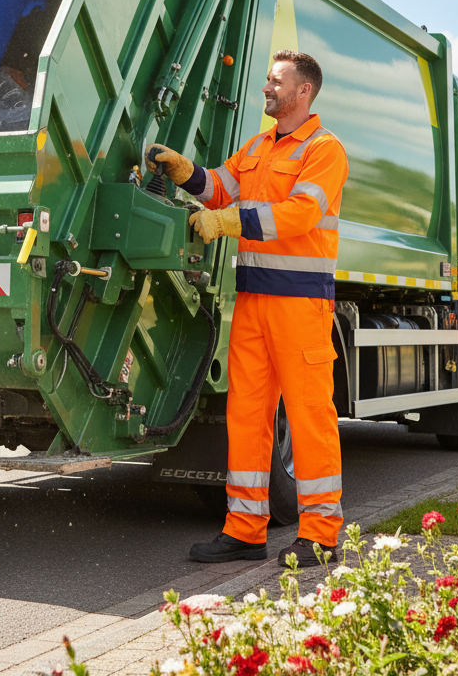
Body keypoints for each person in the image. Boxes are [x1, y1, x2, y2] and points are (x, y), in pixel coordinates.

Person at [146, 49, 348, 568]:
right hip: (255, 303)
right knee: (247, 416)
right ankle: (245, 530)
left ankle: (321, 534)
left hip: (301, 307)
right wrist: (188, 172)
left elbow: (301, 215)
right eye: (267, 80)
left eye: (276, 81)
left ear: (303, 91)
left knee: (309, 418)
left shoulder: (324, 150)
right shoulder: (258, 146)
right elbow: (221, 189)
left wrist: (231, 223)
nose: (267, 88)